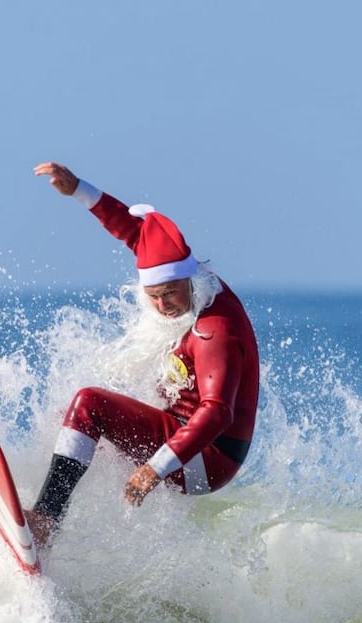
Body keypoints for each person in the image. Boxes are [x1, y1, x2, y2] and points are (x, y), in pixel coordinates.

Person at [26, 161, 260, 548]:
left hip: (207, 459)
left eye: (170, 294)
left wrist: (154, 469)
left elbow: (217, 412)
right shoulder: (179, 272)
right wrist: (79, 190)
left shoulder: (214, 329)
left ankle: (47, 520)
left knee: (89, 404)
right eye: (154, 297)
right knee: (68, 423)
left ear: (190, 280)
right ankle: (65, 525)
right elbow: (135, 232)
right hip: (186, 435)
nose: (164, 305)